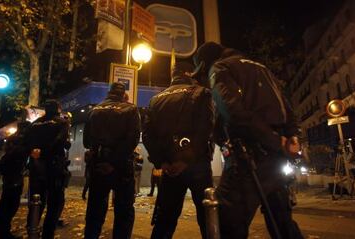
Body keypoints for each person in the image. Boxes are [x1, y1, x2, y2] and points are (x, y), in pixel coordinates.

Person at [192, 42, 303, 239]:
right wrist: (291, 137)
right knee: (282, 222)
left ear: (207, 62)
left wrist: (274, 140)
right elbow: (287, 107)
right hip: (277, 158)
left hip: (247, 158)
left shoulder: (220, 68)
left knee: (228, 222)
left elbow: (234, 112)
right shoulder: (262, 68)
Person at [143, 62, 214, 239]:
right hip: (197, 164)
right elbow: (206, 129)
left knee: (165, 218)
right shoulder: (201, 93)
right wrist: (186, 160)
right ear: (188, 73)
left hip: (170, 169)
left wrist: (163, 162)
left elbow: (147, 136)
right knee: (207, 217)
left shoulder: (156, 99)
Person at [83, 82, 141, 239]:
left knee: (94, 211)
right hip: (121, 167)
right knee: (124, 212)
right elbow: (133, 139)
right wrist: (114, 162)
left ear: (108, 93)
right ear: (123, 94)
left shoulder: (94, 110)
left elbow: (86, 142)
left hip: (98, 165)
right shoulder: (130, 109)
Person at [26, 99, 71, 239]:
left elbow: (26, 141)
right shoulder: (62, 123)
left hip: (36, 166)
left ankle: (32, 228)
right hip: (54, 166)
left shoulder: (35, 124)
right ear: (58, 108)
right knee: (55, 202)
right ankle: (47, 233)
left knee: (36, 200)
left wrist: (36, 153)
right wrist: (47, 152)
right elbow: (61, 142)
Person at [0, 121, 31, 239]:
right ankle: (1, 233)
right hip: (14, 177)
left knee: (6, 205)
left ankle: (1, 232)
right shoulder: (21, 143)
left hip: (10, 177)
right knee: (9, 206)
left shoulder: (13, 139)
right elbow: (15, 156)